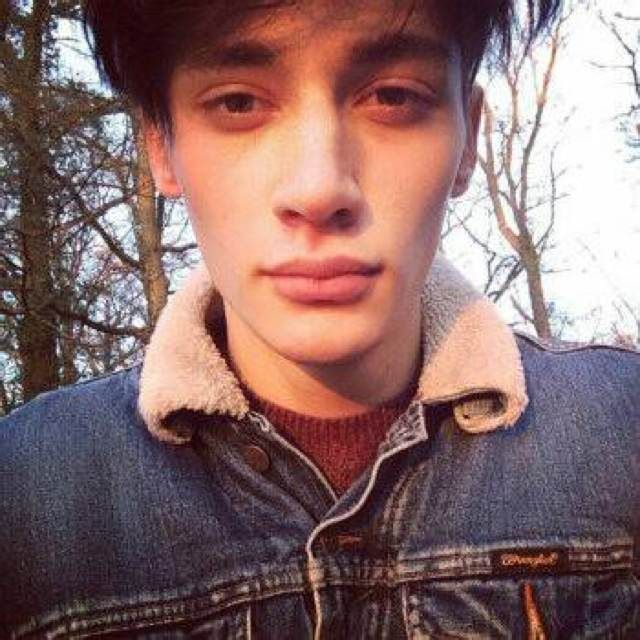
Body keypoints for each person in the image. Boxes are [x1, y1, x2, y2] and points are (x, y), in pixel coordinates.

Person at [1, 0, 638, 637]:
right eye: (238, 103)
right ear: (161, 146)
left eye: (392, 96)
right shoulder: (21, 493)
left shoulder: (622, 431)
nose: (319, 189)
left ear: (469, 139)